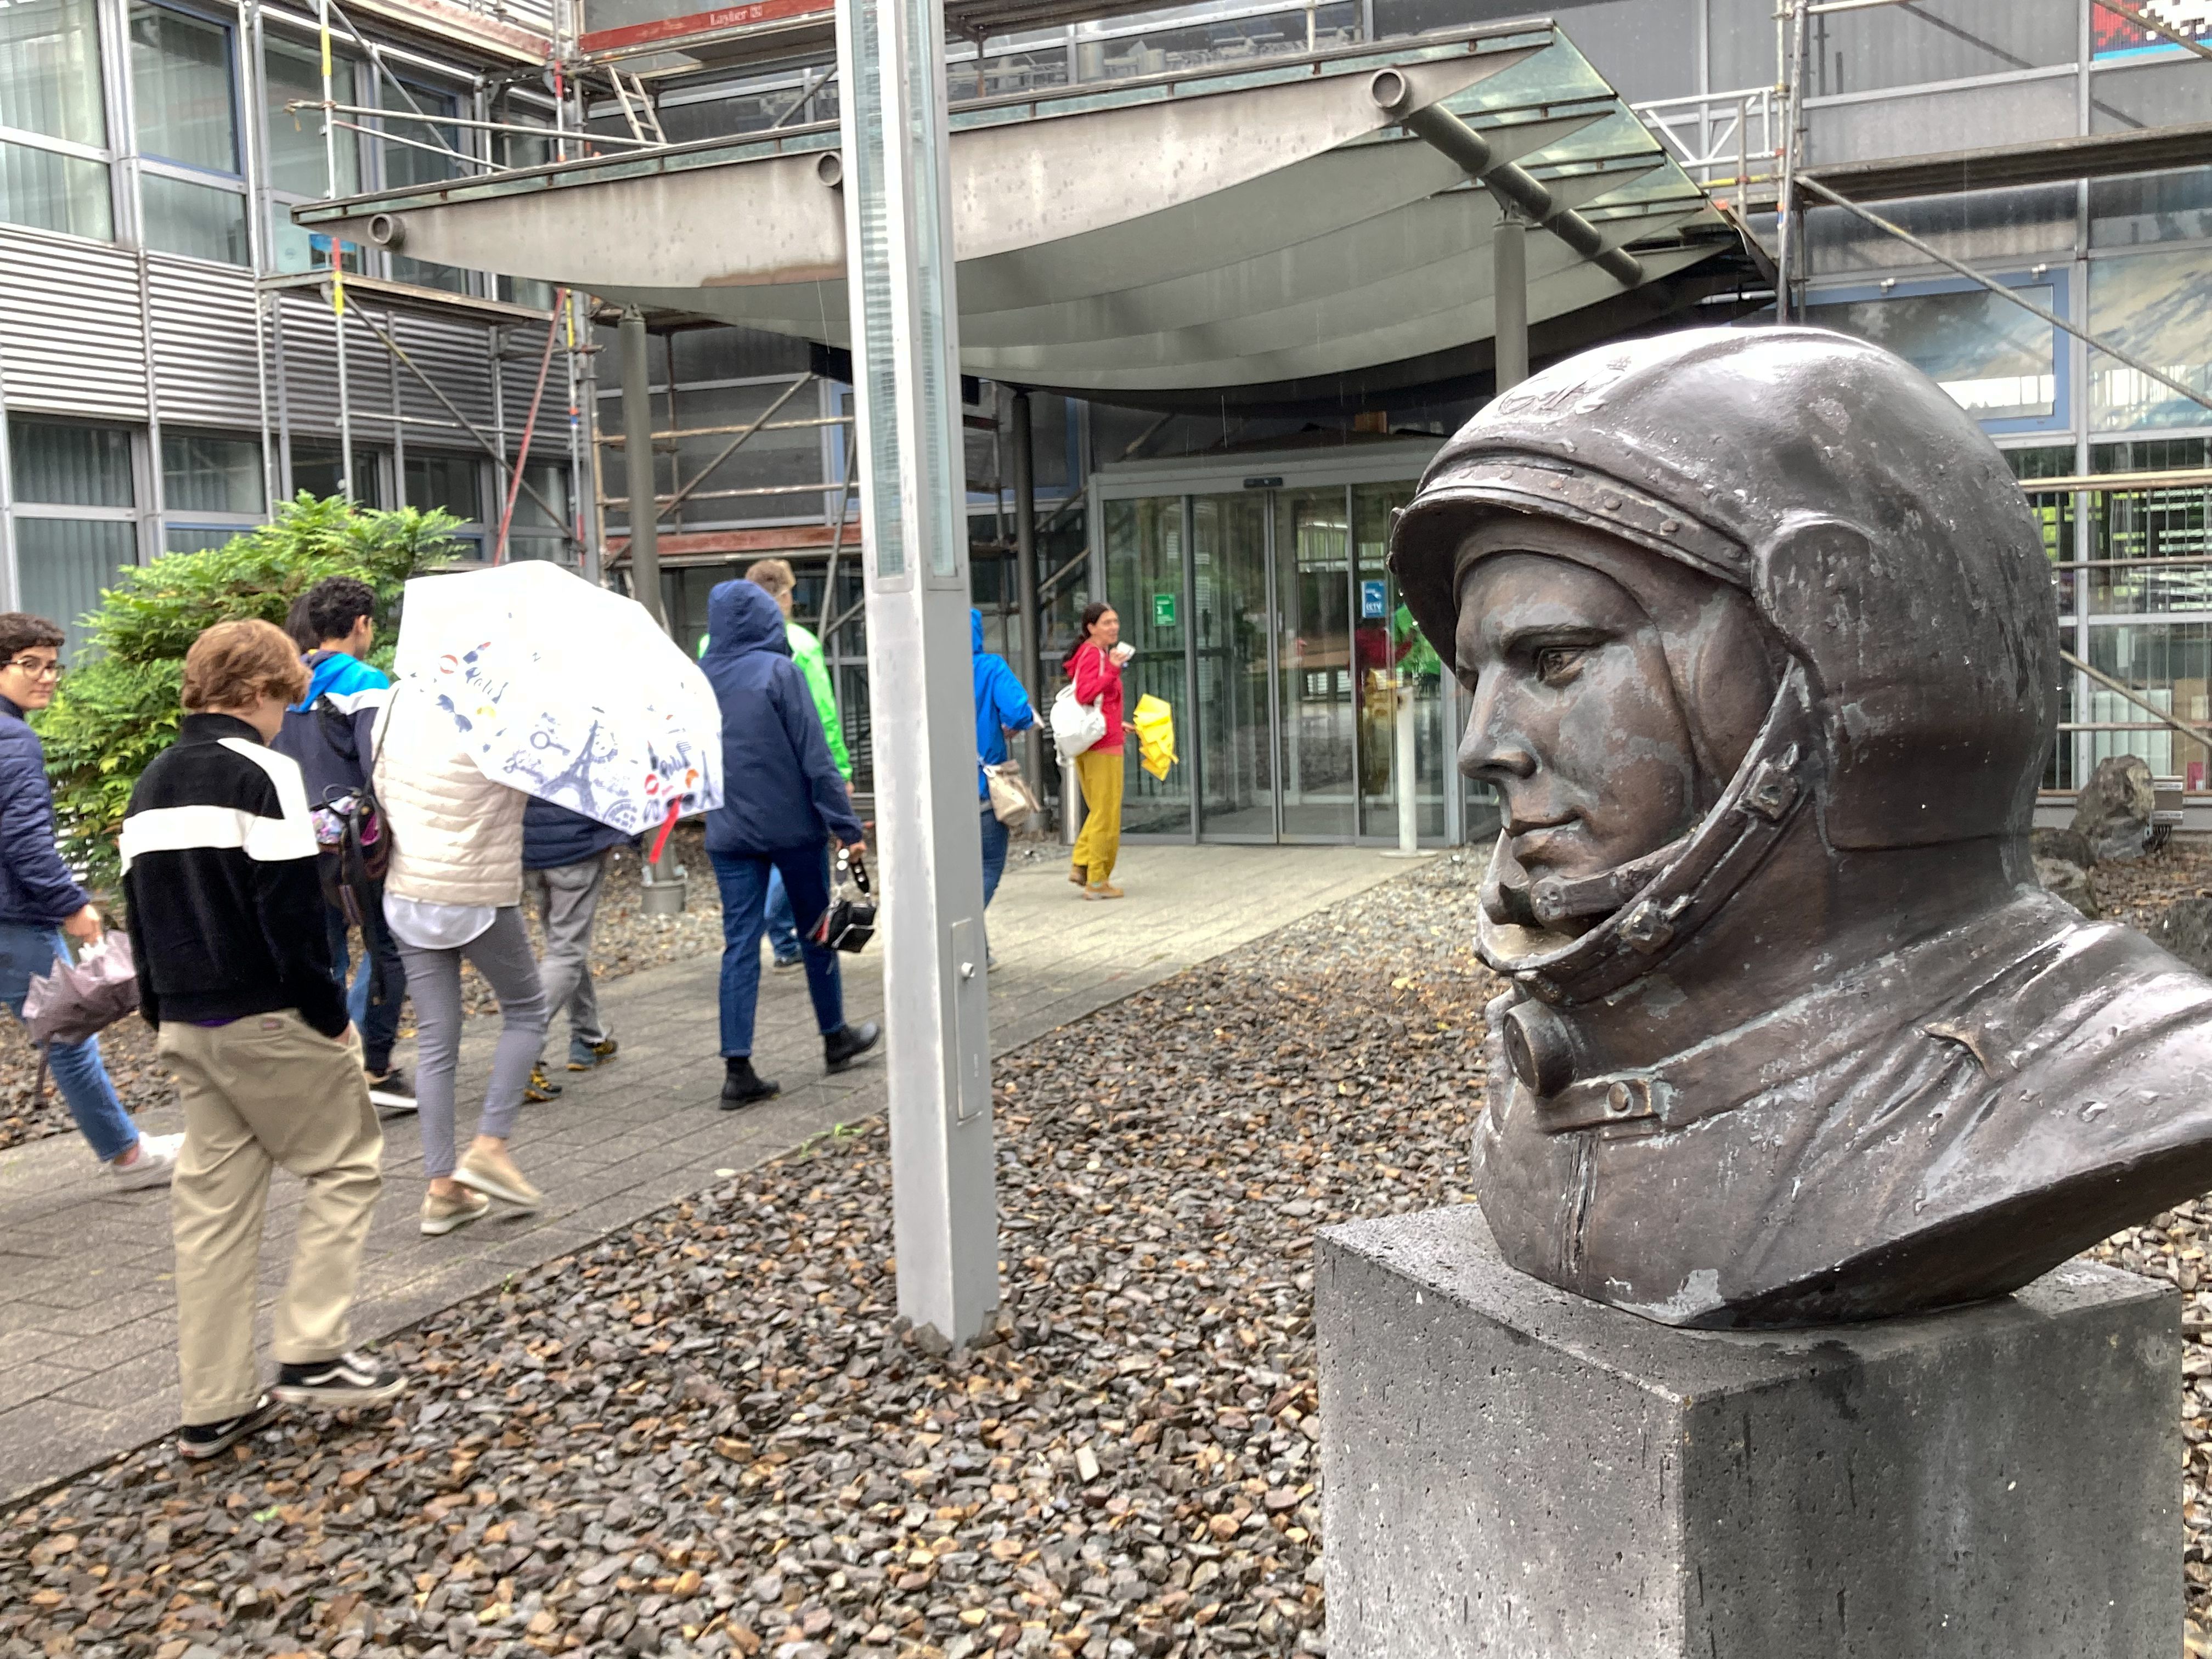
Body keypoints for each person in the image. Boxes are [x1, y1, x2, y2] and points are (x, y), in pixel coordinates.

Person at [120, 619, 401, 1462]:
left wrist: (160, 1011)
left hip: (185, 1019)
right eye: (284, 699)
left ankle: (214, 1405)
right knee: (347, 1161)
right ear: (256, 692)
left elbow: (142, 919)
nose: (287, 716)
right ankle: (313, 1351)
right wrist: (330, 1015)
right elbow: (291, 916)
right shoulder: (264, 772)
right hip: (268, 1016)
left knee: (212, 1215)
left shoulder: (150, 783)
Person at [0, 613, 180, 1186]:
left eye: (53, 666)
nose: (47, 677)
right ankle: (128, 1158)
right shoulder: (13, 740)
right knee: (68, 1032)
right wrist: (69, 903)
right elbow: (24, 841)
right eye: (30, 665)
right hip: (13, 921)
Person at [373, 655, 550, 1236]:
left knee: (436, 1039)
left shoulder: (394, 699)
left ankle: (442, 1189)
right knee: (526, 1011)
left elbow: (380, 782)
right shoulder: (498, 705)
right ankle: (491, 1145)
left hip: (407, 888)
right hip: (475, 891)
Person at [698, 579, 879, 1107]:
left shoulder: (698, 679)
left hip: (728, 832)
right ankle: (835, 1037)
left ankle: (737, 1069)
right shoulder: (781, 672)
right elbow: (816, 759)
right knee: (818, 931)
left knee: (739, 944)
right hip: (792, 829)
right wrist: (847, 827)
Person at [273, 575, 411, 1107]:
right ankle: (371, 1064)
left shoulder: (288, 679)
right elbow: (380, 766)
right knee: (386, 946)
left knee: (322, 954)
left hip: (295, 839)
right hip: (356, 844)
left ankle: (322, 1063)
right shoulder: (365, 681)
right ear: (361, 624)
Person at [741, 558, 853, 972]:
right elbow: (823, 713)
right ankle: (782, 929)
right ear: (783, 597)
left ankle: (779, 942)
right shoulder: (801, 645)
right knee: (796, 854)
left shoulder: (713, 646)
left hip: (742, 772)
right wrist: (841, 771)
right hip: (793, 770)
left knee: (757, 853)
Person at [522, 797, 625, 1078]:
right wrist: (617, 835)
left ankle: (589, 1037)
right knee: (566, 953)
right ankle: (522, 1049)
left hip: (532, 846)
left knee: (563, 948)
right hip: (578, 846)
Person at [971, 607, 1036, 965]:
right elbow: (1020, 712)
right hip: (982, 787)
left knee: (955, 873)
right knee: (988, 867)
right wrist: (1009, 725)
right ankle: (958, 929)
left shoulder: (927, 666)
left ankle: (978, 953)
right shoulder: (989, 667)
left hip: (937, 794)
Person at [1065, 602, 1136, 900]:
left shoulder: (1093, 654)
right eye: (1107, 622)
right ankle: (1097, 879)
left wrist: (1117, 723)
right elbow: (1086, 694)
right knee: (1106, 812)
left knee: (1100, 809)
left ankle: (1083, 864)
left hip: (1098, 738)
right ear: (1091, 627)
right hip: (1103, 744)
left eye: (1115, 621)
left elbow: (1097, 702)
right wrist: (1114, 670)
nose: (1114, 627)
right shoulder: (1095, 655)